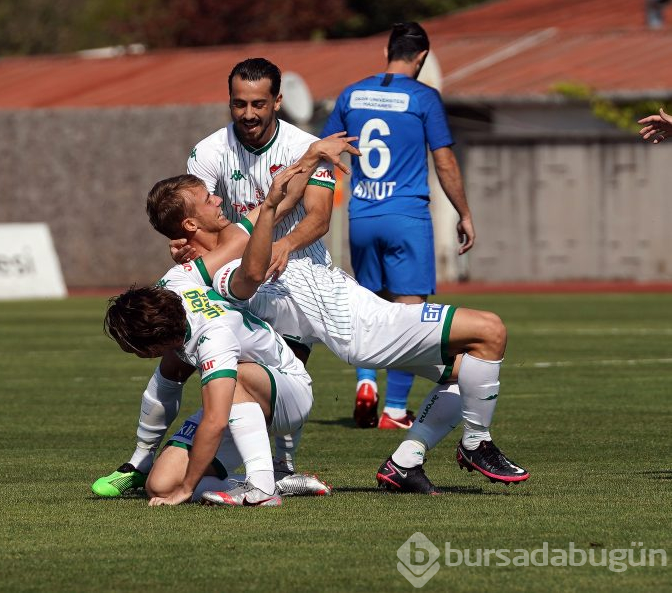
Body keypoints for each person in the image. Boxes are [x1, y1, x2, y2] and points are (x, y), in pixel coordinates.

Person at [137, 172, 529, 493]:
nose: (219, 200)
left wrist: (310, 160)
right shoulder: (217, 271)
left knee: (469, 376)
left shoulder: (211, 255)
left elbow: (270, 214)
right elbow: (250, 273)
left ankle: (405, 462)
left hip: (341, 321)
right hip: (360, 324)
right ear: (191, 223)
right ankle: (477, 442)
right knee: (489, 330)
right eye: (209, 198)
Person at [92, 57, 356, 498]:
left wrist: (307, 160)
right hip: (227, 282)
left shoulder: (218, 279)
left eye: (258, 103)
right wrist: (185, 243)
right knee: (174, 375)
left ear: (275, 101)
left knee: (237, 375)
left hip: (278, 283)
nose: (220, 199)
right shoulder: (188, 269)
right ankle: (141, 463)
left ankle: (269, 477)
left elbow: (272, 222)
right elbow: (192, 211)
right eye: (239, 103)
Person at [105, 165, 327, 507]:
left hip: (287, 391)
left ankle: (263, 489)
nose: (217, 200)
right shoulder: (176, 281)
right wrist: (175, 487)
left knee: (229, 388)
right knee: (159, 485)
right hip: (245, 399)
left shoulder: (213, 339)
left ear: (155, 345)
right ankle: (275, 481)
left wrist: (186, 490)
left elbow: (214, 419)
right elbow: (234, 243)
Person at [320, 22, 475, 430]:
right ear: (421, 57)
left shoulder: (352, 93)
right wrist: (464, 212)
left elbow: (324, 149)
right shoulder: (423, 96)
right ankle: (393, 409)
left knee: (368, 308)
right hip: (406, 217)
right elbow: (443, 161)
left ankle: (366, 382)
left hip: (362, 216)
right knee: (411, 316)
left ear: (387, 52)